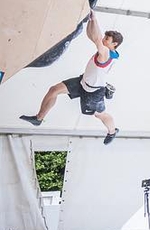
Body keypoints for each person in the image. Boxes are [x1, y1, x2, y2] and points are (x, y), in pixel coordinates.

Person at [21, 11, 123, 144]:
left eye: (107, 39)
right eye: (104, 37)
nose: (104, 39)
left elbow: (97, 39)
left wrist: (94, 17)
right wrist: (89, 20)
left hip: (93, 92)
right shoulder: (105, 50)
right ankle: (38, 118)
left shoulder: (106, 54)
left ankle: (112, 131)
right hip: (82, 82)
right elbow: (92, 36)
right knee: (54, 90)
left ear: (114, 44)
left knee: (100, 115)